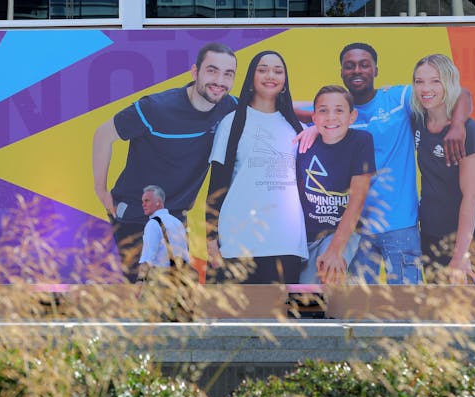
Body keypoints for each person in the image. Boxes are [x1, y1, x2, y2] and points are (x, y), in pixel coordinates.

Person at [299, 42, 472, 284]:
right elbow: (292, 107)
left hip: (400, 224)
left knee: (406, 305)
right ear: (341, 72)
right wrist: (312, 128)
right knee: (357, 310)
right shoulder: (336, 111)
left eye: (364, 65)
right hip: (356, 231)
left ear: (376, 70)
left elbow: (462, 93)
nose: (357, 70)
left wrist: (458, 125)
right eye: (349, 66)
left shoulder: (398, 98)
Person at [92, 43, 238, 283]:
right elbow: (103, 135)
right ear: (195, 72)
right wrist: (100, 190)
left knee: (177, 296)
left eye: (228, 74)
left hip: (175, 216)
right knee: (148, 292)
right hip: (135, 213)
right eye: (212, 70)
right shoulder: (156, 108)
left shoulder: (229, 107)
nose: (219, 80)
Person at [206, 50, 307, 284]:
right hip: (238, 242)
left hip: (287, 242)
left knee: (280, 319)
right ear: (251, 77)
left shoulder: (298, 128)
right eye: (262, 69)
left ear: (285, 80)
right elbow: (216, 185)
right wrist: (211, 240)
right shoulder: (232, 123)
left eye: (277, 71)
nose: (270, 75)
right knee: (237, 319)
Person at [411, 54, 475, 284]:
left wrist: (461, 255)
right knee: (438, 310)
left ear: (448, 82)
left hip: (469, 237)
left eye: (435, 81)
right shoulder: (417, 118)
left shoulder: (468, 129)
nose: (426, 88)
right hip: (431, 233)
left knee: (468, 312)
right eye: (419, 81)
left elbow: (471, 195)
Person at [297, 85, 376, 285]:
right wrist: (312, 126)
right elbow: (281, 106)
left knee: (328, 275)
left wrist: (335, 250)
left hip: (338, 232)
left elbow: (357, 200)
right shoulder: (304, 140)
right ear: (314, 116)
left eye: (339, 110)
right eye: (323, 111)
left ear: (352, 116)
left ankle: (330, 315)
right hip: (303, 236)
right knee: (299, 296)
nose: (331, 117)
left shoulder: (361, 141)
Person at [137, 185, 191, 281]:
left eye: (147, 201)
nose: (143, 204)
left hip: (159, 279)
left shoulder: (152, 224)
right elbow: (185, 255)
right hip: (178, 279)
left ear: (158, 202)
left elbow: (147, 259)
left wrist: (139, 284)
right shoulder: (177, 222)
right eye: (142, 201)